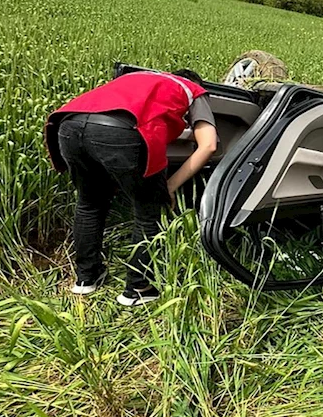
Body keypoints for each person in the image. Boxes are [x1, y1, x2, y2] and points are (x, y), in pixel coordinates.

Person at [45, 69, 218, 306]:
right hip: (120, 131)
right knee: (149, 212)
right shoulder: (193, 90)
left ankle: (87, 279)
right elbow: (208, 145)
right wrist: (169, 186)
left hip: (68, 126)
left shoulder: (136, 78)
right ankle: (138, 288)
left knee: (89, 203)